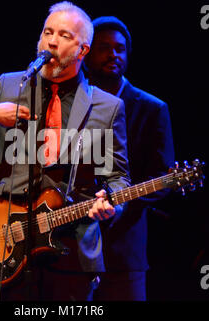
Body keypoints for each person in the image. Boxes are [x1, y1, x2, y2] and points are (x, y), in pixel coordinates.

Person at [0, 3, 130, 300]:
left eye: (64, 35)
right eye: (47, 32)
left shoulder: (108, 107)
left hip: (72, 254)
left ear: (83, 50)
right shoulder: (9, 85)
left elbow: (118, 178)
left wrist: (111, 202)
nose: (51, 41)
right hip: (7, 246)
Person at [83, 16, 175, 300]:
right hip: (68, 247)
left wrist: (118, 202)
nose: (113, 54)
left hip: (124, 250)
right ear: (86, 54)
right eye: (104, 47)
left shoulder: (151, 108)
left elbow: (163, 176)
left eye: (120, 49)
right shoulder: (71, 102)